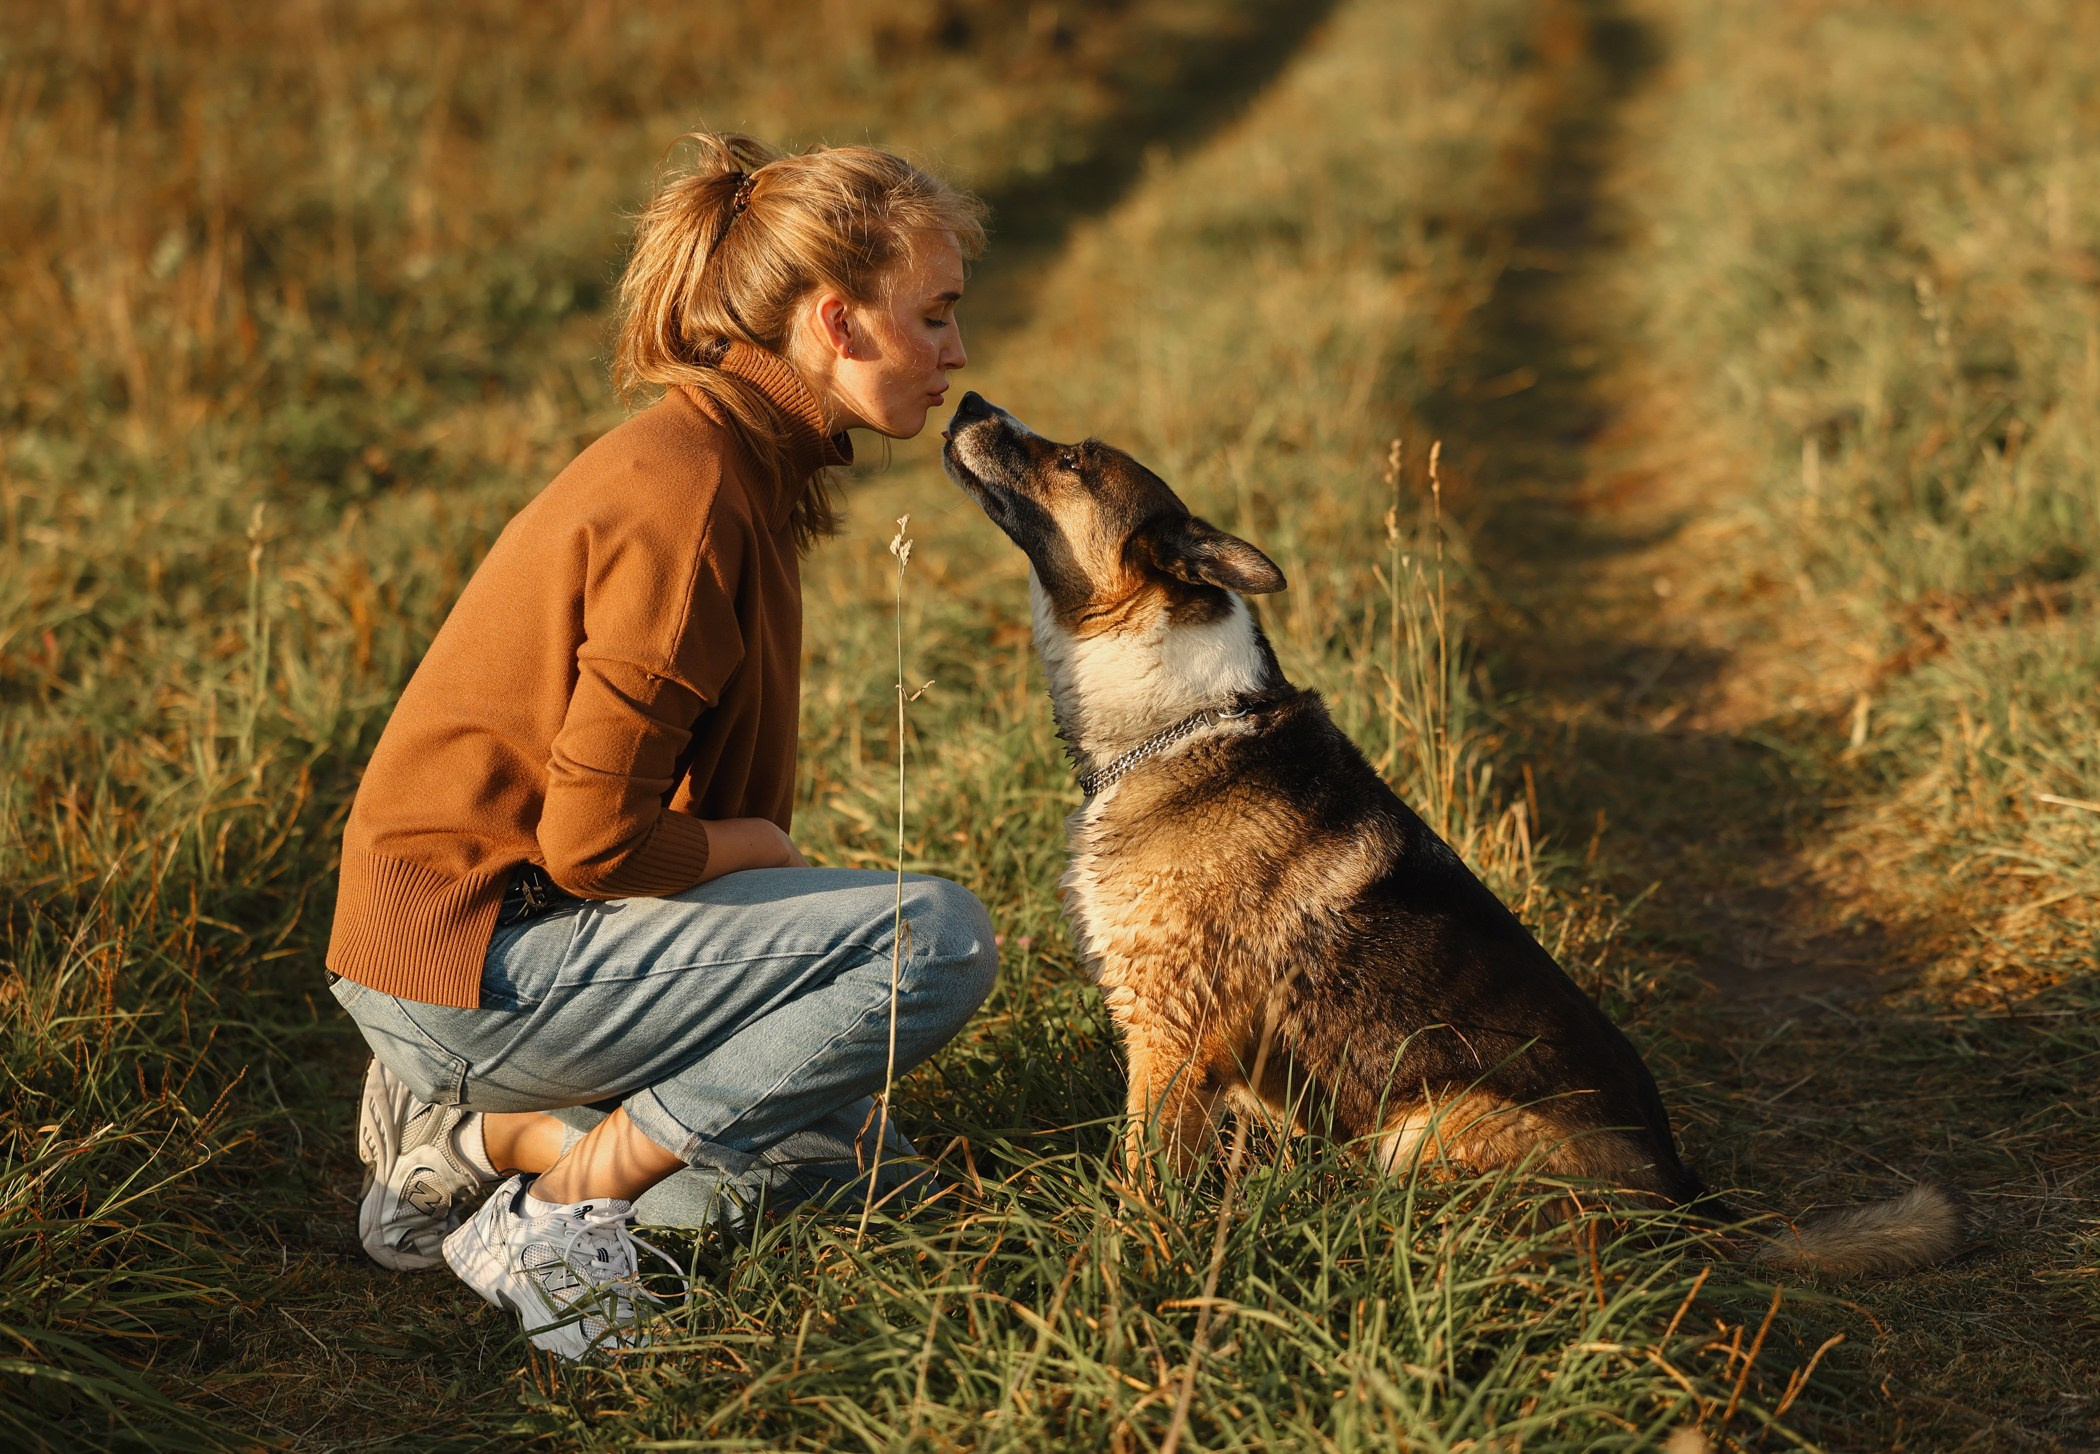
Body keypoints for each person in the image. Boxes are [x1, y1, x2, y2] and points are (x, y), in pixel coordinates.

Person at [324, 132, 999, 1360]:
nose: (957, 352)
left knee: (863, 1187)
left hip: (535, 946)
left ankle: (489, 1140)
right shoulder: (686, 497)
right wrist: (759, 846)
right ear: (838, 323)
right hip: (475, 954)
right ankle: (562, 1205)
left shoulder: (744, 457)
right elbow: (592, 843)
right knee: (936, 933)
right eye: (937, 316)